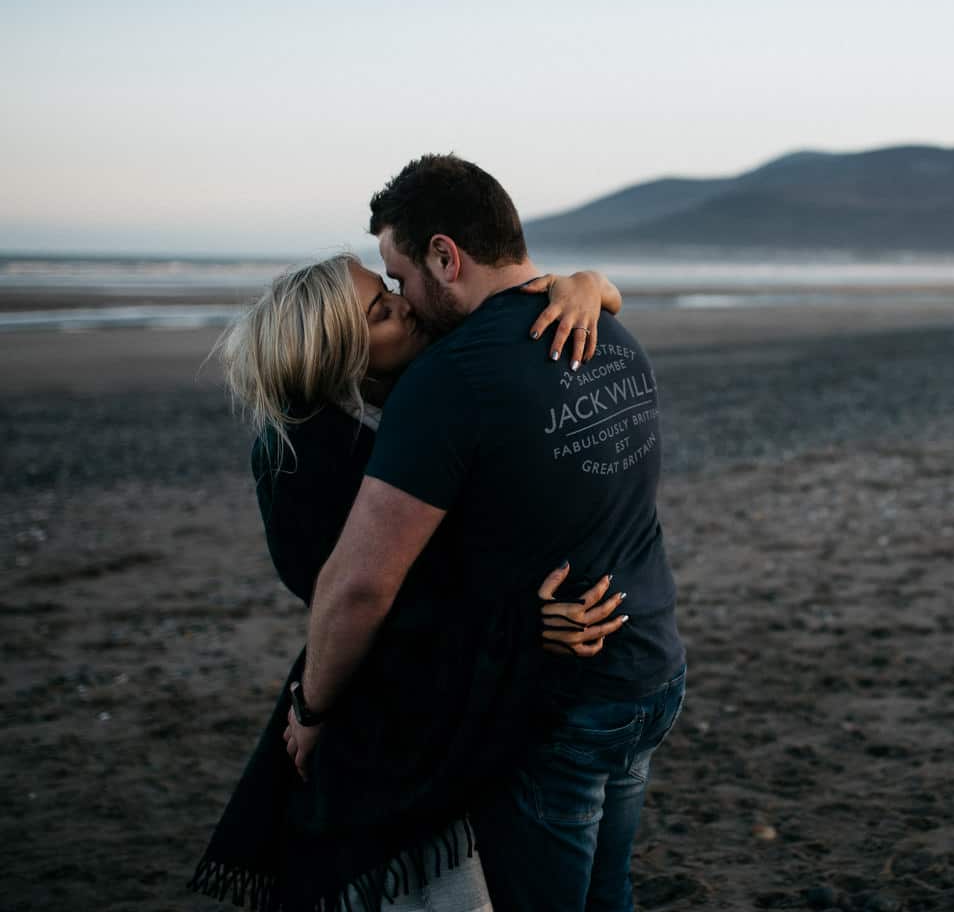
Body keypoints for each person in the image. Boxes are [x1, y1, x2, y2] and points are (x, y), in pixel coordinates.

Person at [285, 154, 686, 911]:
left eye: (399, 277)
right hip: (654, 671)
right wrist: (588, 281)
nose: (404, 298)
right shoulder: (607, 329)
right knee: (610, 894)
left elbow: (362, 583)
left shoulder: (455, 377)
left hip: (562, 707)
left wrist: (312, 710)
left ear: (446, 255)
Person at [191, 255, 629, 912]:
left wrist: (585, 285)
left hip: (473, 687)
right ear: (342, 358)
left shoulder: (425, 378)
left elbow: (568, 294)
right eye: (379, 312)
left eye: (389, 289)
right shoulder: (306, 460)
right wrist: (521, 620)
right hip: (402, 701)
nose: (404, 305)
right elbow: (367, 599)